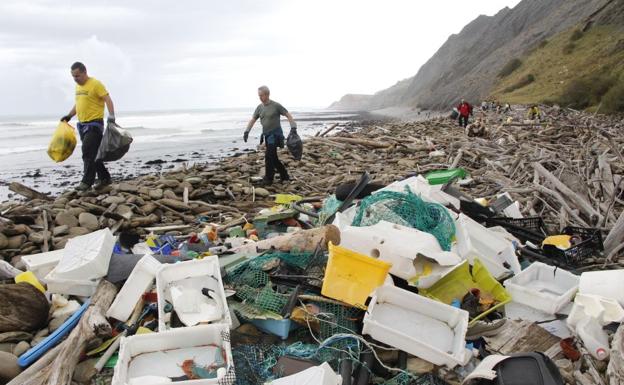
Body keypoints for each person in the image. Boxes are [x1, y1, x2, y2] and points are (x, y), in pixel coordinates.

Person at [60, 62, 115, 191]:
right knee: (94, 154)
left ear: (85, 72)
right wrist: (69, 116)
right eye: (73, 76)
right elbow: (78, 104)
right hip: (82, 125)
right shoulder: (78, 87)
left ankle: (86, 182)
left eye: (77, 76)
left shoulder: (96, 84)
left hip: (95, 124)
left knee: (87, 153)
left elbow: (107, 99)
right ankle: (105, 178)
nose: (75, 79)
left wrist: (111, 116)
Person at [243, 85, 297, 186]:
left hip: (276, 135)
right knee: (273, 157)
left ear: (267, 94)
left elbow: (288, 115)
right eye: (259, 96)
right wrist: (247, 131)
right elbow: (253, 120)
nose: (260, 97)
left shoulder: (276, 106)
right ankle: (284, 175)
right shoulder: (259, 108)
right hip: (267, 136)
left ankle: (269, 178)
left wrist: (293, 127)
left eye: (261, 95)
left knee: (269, 156)